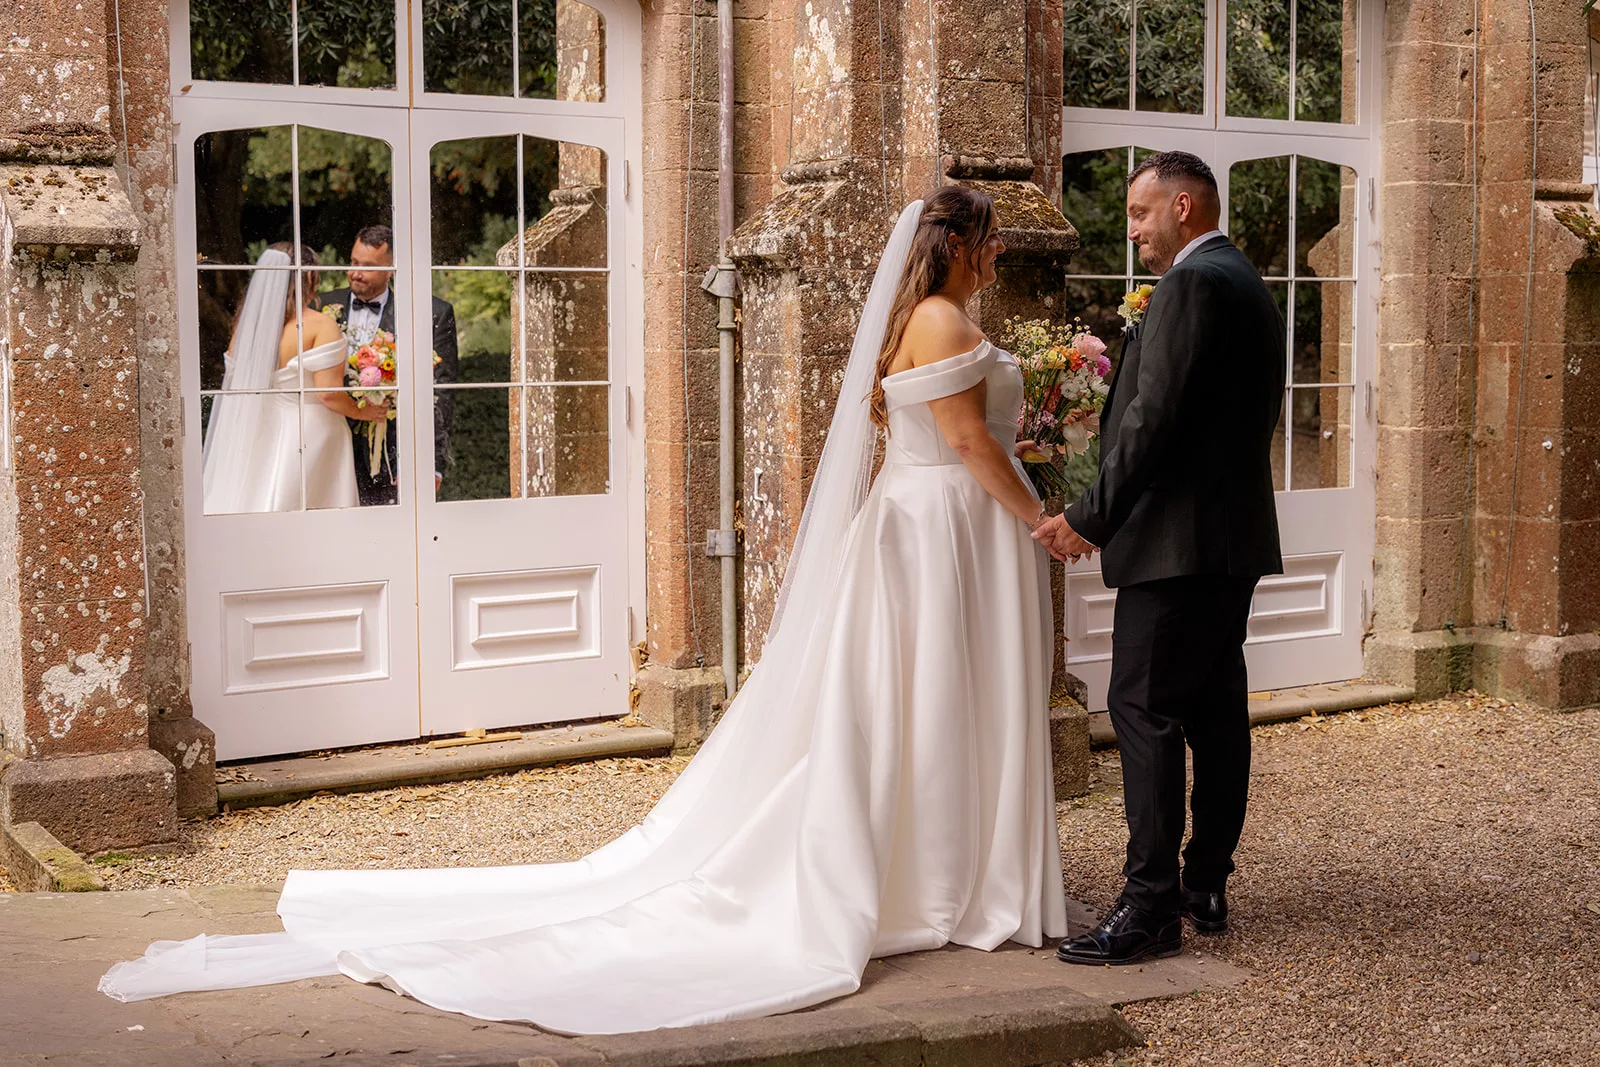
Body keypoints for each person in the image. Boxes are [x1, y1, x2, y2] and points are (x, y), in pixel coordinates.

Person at [102, 188, 1068, 1033]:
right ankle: (940, 876)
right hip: (942, 523)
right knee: (929, 696)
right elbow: (968, 443)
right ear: (967, 244)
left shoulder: (929, 314)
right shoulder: (940, 318)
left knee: (926, 700)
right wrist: (1043, 518)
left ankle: (945, 866)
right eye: (992, 243)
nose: (997, 257)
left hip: (930, 525)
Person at [1033, 151, 1286, 965]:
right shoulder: (1245, 280)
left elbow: (1153, 420)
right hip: (1230, 540)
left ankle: (1148, 908)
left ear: (1183, 206)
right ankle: (1204, 881)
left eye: (1141, 214)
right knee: (1214, 710)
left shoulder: (1188, 283)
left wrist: (1090, 516)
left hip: (1177, 546)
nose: (1133, 230)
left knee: (1141, 710)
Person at [201, 244, 385, 514]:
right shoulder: (321, 324)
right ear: (308, 277)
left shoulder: (245, 328)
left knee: (259, 496)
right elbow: (328, 394)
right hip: (311, 432)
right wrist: (369, 413)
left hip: (261, 425)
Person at [317, 225, 460, 503]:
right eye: (353, 262)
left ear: (392, 269)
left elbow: (441, 392)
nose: (355, 273)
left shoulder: (432, 314)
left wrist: (433, 463)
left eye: (368, 267)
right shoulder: (322, 306)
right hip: (329, 444)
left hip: (394, 455)